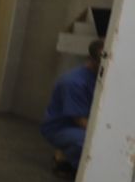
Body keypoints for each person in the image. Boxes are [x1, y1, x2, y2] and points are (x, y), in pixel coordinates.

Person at [41, 39, 104, 173]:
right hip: (60, 127)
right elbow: (79, 120)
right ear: (91, 59)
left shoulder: (97, 77)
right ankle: (66, 162)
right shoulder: (74, 83)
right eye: (101, 60)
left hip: (79, 124)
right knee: (89, 143)